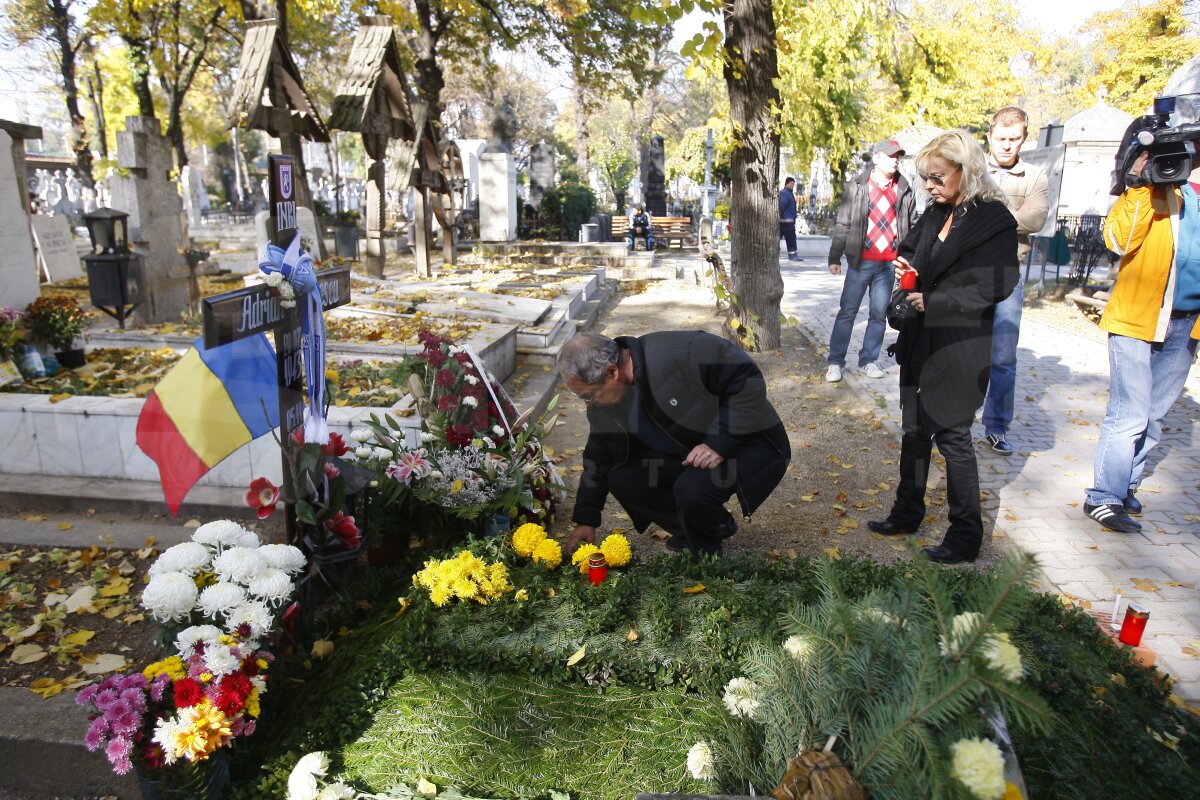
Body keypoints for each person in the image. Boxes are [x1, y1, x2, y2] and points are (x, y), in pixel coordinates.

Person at [869, 130, 1018, 564]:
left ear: (965, 170)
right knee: (915, 433)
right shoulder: (936, 211)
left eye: (937, 176)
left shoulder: (994, 219)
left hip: (960, 346)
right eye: (925, 178)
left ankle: (966, 535)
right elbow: (914, 252)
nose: (929, 185)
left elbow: (998, 283)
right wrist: (907, 266)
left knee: (953, 439)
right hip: (920, 340)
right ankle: (907, 512)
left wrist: (936, 300)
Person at [559, 331, 791, 557]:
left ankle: (707, 555)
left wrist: (718, 443)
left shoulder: (683, 352)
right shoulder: (603, 405)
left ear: (612, 372)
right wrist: (586, 519)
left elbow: (747, 381)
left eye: (588, 395)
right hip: (688, 452)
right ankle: (707, 527)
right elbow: (599, 456)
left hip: (748, 442)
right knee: (624, 479)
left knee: (691, 490)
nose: (589, 403)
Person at [1083, 151, 1200, 533]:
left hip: (1187, 322)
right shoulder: (1156, 187)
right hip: (1138, 317)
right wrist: (1139, 183)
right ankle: (1103, 496)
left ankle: (1127, 484)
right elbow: (1119, 241)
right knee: (1130, 412)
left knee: (1155, 413)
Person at [980, 107, 1049, 455]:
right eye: (1001, 138)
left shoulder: (1034, 176)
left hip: (1009, 273)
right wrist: (1011, 217)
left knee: (1004, 355)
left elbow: (1036, 218)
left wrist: (989, 216)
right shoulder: (972, 169)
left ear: (1024, 138)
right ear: (989, 136)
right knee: (958, 346)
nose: (1007, 145)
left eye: (1014, 139)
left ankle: (996, 426)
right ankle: (948, 419)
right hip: (969, 272)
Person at [826, 139, 920, 382]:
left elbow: (912, 226)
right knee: (847, 312)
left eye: (897, 156)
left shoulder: (903, 188)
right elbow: (843, 223)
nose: (895, 160)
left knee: (878, 315)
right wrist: (834, 256)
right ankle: (835, 361)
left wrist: (910, 259)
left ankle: (869, 360)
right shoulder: (858, 186)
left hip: (889, 264)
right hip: (861, 262)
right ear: (876, 158)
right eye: (890, 156)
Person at [779, 177, 800, 260]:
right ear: (786, 183)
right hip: (786, 220)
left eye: (793, 184)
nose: (792, 186)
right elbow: (782, 205)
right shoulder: (785, 193)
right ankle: (793, 255)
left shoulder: (788, 193)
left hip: (787, 220)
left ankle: (793, 254)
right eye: (791, 184)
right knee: (791, 238)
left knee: (789, 238)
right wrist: (780, 215)